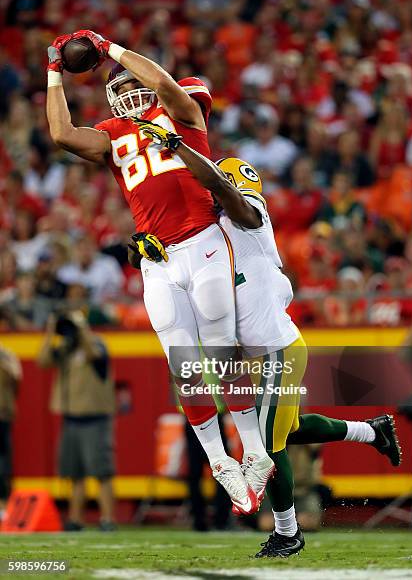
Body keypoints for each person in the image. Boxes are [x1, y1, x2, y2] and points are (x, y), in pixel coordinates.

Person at [129, 120, 401, 557]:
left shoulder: (244, 219)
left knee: (268, 447)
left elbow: (238, 201)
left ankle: (287, 532)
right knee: (285, 430)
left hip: (278, 348)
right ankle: (370, 431)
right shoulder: (201, 237)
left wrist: (198, 166)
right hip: (249, 356)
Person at [45, 30, 274, 514]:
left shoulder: (183, 110)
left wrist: (109, 49)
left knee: (220, 348)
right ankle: (221, 462)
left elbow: (167, 87)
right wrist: (53, 73)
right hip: (157, 259)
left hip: (204, 240)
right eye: (119, 88)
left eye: (133, 84)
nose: (128, 93)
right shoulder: (111, 133)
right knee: (183, 364)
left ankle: (254, 452)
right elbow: (63, 134)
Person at [37, 311, 115, 531]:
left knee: (102, 472)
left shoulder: (97, 343)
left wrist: (82, 329)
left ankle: (108, 519)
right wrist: (51, 332)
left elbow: (94, 355)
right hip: (70, 418)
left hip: (95, 418)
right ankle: (75, 520)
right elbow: (42, 361)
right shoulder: (65, 348)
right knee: (75, 473)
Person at [0, 344, 21, 518]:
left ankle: (5, 506)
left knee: (4, 465)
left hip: (2, 416)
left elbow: (15, 378)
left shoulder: (6, 355)